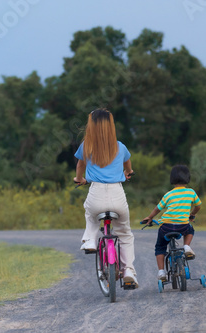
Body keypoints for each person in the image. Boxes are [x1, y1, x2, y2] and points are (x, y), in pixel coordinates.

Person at [73, 108, 138, 286]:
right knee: (124, 233)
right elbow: (128, 165)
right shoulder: (120, 146)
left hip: (96, 192)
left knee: (90, 214)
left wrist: (79, 179)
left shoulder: (87, 146)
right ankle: (128, 272)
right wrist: (128, 172)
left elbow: (80, 166)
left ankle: (90, 241)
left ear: (91, 126)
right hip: (118, 195)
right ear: (111, 126)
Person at [142, 165, 201, 281]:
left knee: (160, 247)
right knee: (190, 230)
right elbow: (198, 206)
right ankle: (187, 246)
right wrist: (192, 214)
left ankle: (161, 272)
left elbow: (157, 209)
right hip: (183, 226)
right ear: (188, 178)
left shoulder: (168, 194)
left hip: (166, 227)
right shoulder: (191, 192)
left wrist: (149, 217)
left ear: (172, 179)